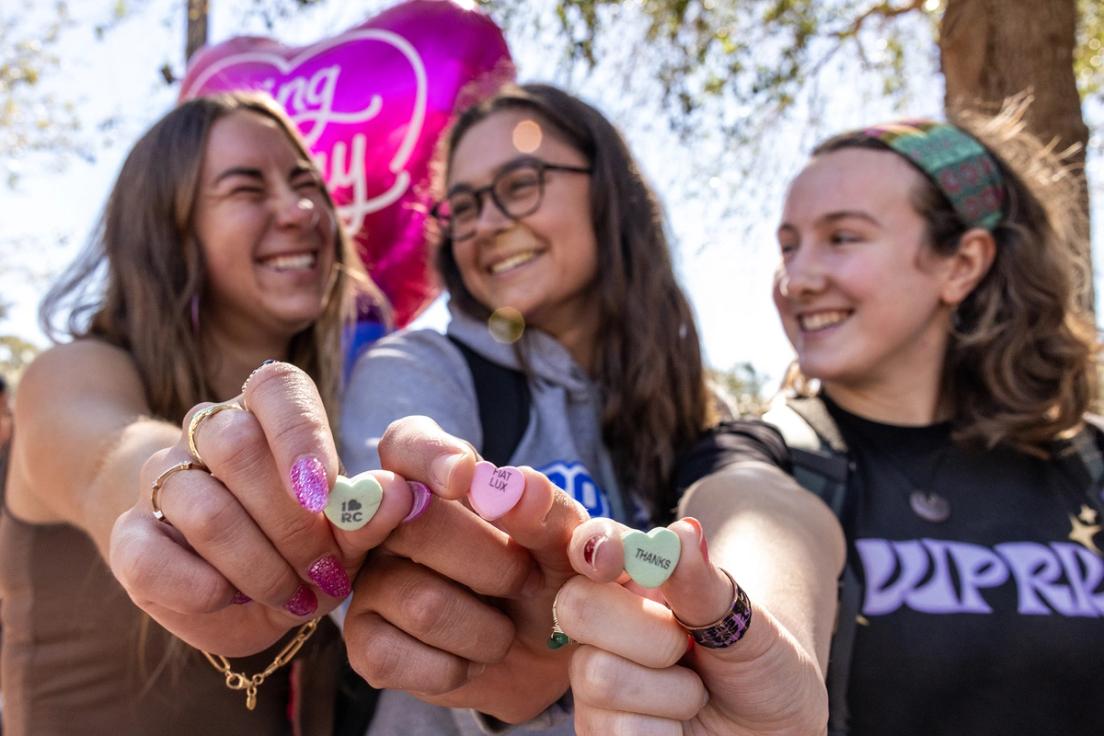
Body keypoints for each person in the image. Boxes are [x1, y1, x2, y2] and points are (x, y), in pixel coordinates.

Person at [553, 110, 1104, 734]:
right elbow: (758, 525)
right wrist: (752, 645)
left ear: (961, 264)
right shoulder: (766, 455)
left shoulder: (1090, 463)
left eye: (843, 238)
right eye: (789, 246)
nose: (798, 279)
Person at [336, 83, 726, 734]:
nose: (486, 223)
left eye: (520, 184)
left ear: (609, 191)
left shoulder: (689, 413)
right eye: (462, 206)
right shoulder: (419, 371)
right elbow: (402, 607)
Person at [0, 91, 389, 735]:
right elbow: (110, 461)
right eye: (246, 189)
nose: (298, 211)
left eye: (306, 183)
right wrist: (176, 488)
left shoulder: (339, 417)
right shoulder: (70, 373)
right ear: (169, 228)